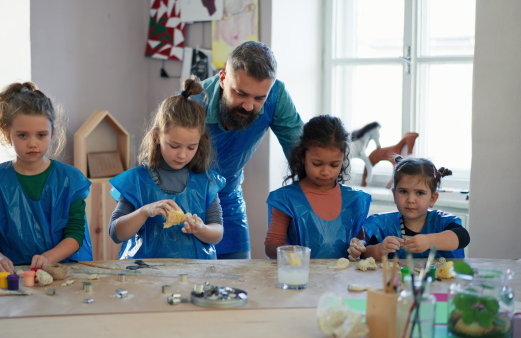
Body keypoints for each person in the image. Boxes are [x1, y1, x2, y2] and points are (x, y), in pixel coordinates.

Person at [193, 40, 304, 259]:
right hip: (187, 200)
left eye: (259, 98)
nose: (248, 106)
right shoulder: (193, 102)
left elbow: (303, 156)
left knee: (238, 281)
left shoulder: (277, 95)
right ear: (223, 79)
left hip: (229, 199)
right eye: (240, 93)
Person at [0, 82, 93, 275]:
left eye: (41, 135)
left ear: (52, 133)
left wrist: (49, 258)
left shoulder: (69, 179)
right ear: (7, 133)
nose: (32, 143)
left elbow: (75, 234)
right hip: (12, 274)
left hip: (59, 271)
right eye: (22, 135)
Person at [108, 76, 225, 260]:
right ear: (157, 137)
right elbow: (116, 233)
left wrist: (201, 229)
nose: (182, 155)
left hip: (195, 274)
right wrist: (143, 212)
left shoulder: (206, 182)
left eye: (191, 147)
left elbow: (217, 233)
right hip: (144, 274)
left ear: (200, 143)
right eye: (174, 146)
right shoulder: (137, 180)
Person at [264, 115, 371, 259]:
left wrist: (359, 247)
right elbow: (272, 245)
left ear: (343, 160)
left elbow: (363, 242)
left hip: (342, 279)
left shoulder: (355, 199)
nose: (325, 172)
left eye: (334, 165)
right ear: (302, 156)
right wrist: (288, 252)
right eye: (317, 164)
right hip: (300, 277)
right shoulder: (286, 199)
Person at [347, 156, 470, 260]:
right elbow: (363, 253)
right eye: (404, 191)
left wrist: (428, 241)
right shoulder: (380, 224)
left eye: (420, 193)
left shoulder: (442, 222)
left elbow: (463, 237)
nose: (410, 200)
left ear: (432, 198)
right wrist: (379, 249)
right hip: (392, 285)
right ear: (394, 194)